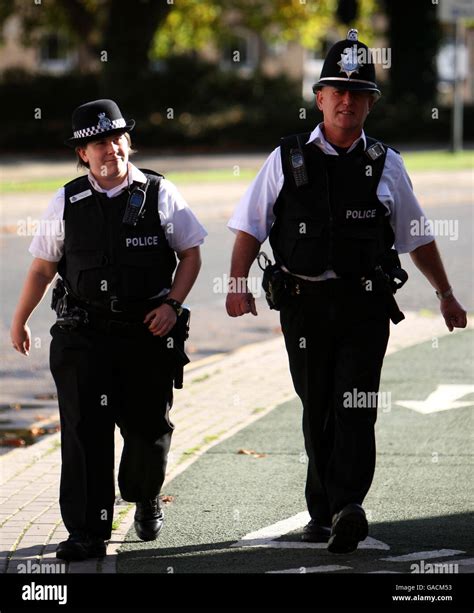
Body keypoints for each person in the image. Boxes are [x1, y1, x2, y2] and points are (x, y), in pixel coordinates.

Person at [225, 30, 467, 554]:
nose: (346, 100)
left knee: (356, 403)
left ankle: (347, 505)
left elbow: (417, 237)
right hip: (304, 305)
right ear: (318, 97)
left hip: (363, 305)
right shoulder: (285, 158)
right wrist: (237, 283)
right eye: (336, 90)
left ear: (371, 103)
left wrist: (445, 293)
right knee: (318, 406)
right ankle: (324, 509)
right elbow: (250, 225)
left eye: (358, 93)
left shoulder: (387, 164)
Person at [10, 99, 207, 561]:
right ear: (83, 153)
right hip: (83, 336)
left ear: (128, 143)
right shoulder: (66, 200)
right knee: (83, 433)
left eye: (117, 139)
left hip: (147, 334)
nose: (110, 149)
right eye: (99, 143)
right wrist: (19, 319)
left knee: (146, 429)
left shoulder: (160, 193)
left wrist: (173, 306)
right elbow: (42, 269)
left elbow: (192, 254)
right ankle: (87, 532)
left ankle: (143, 494)